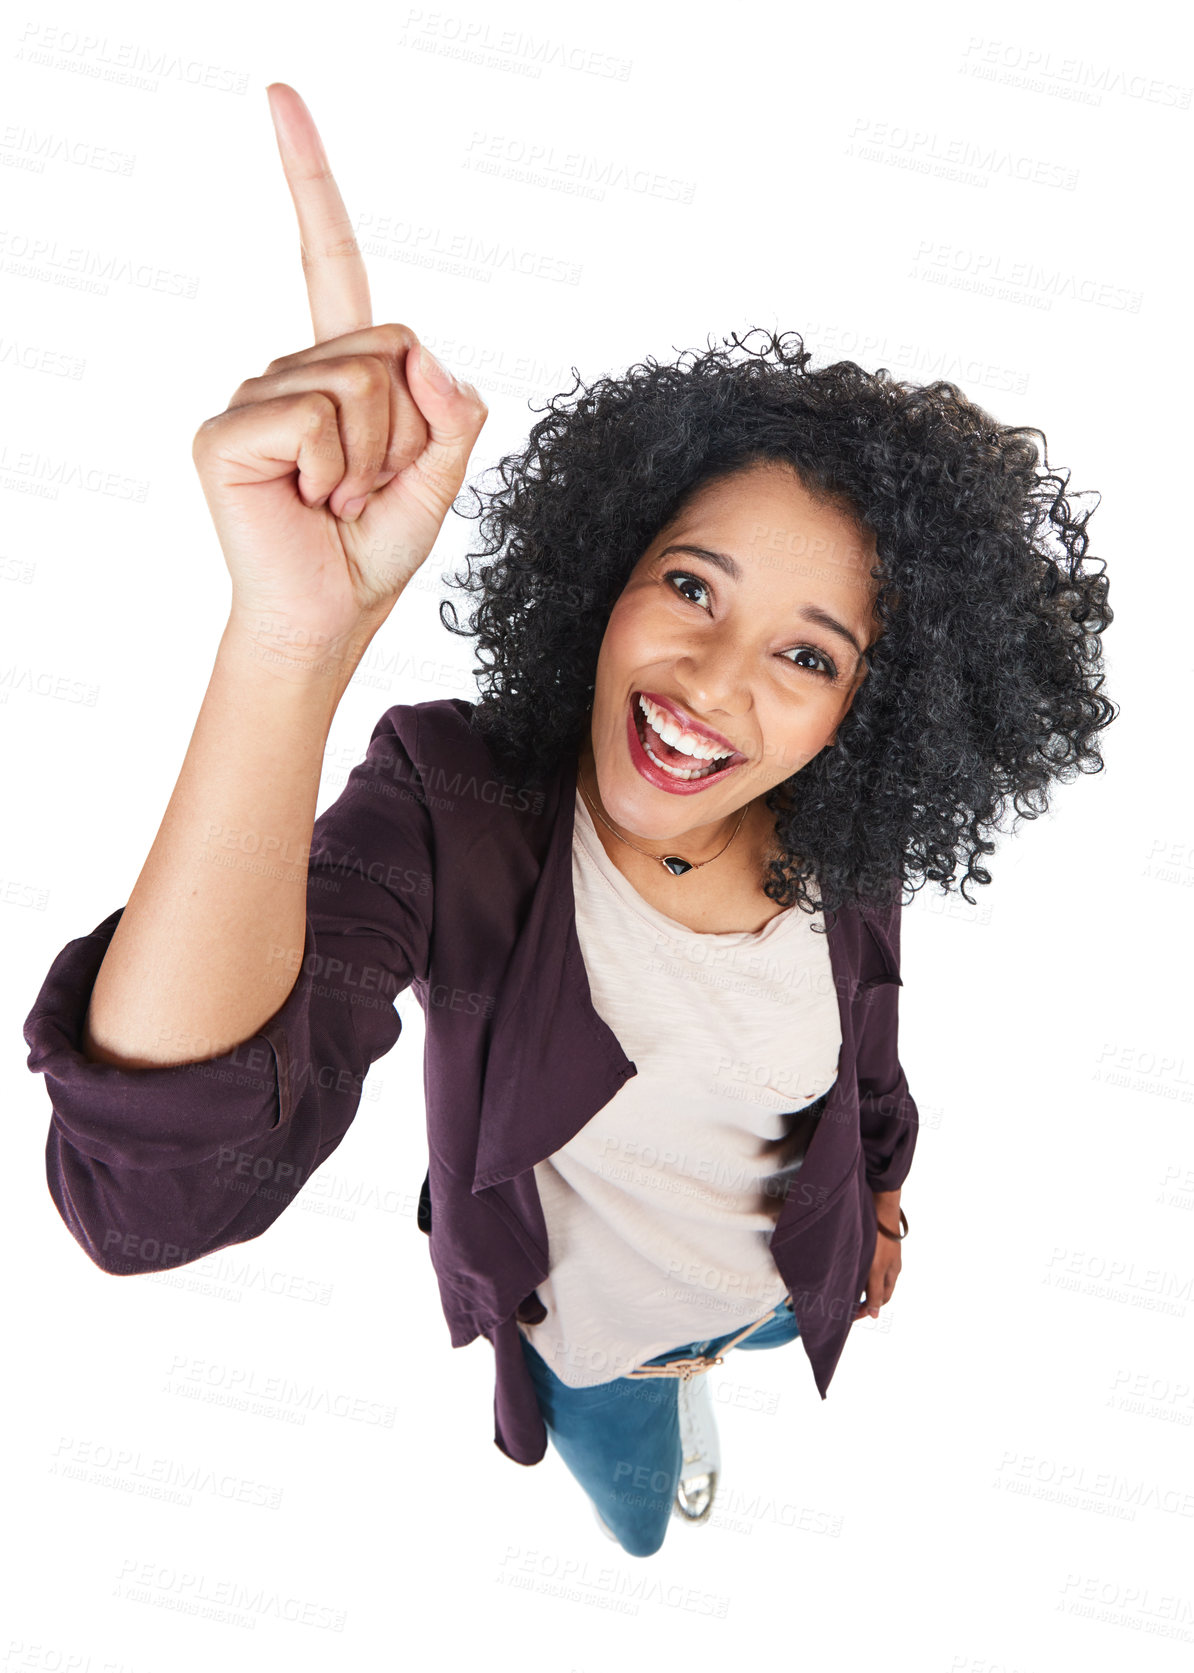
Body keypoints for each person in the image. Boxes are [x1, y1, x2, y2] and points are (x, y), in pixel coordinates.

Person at [23, 84, 1117, 1560]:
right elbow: (149, 1201)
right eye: (688, 586)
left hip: (778, 1286)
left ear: (869, 709)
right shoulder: (455, 807)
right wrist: (295, 638)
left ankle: (718, 1383)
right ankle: (649, 1475)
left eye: (807, 655)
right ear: (604, 575)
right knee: (637, 1519)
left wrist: (885, 1194)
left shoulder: (837, 840)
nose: (716, 684)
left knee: (732, 1359)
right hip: (590, 1347)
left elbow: (865, 1048)